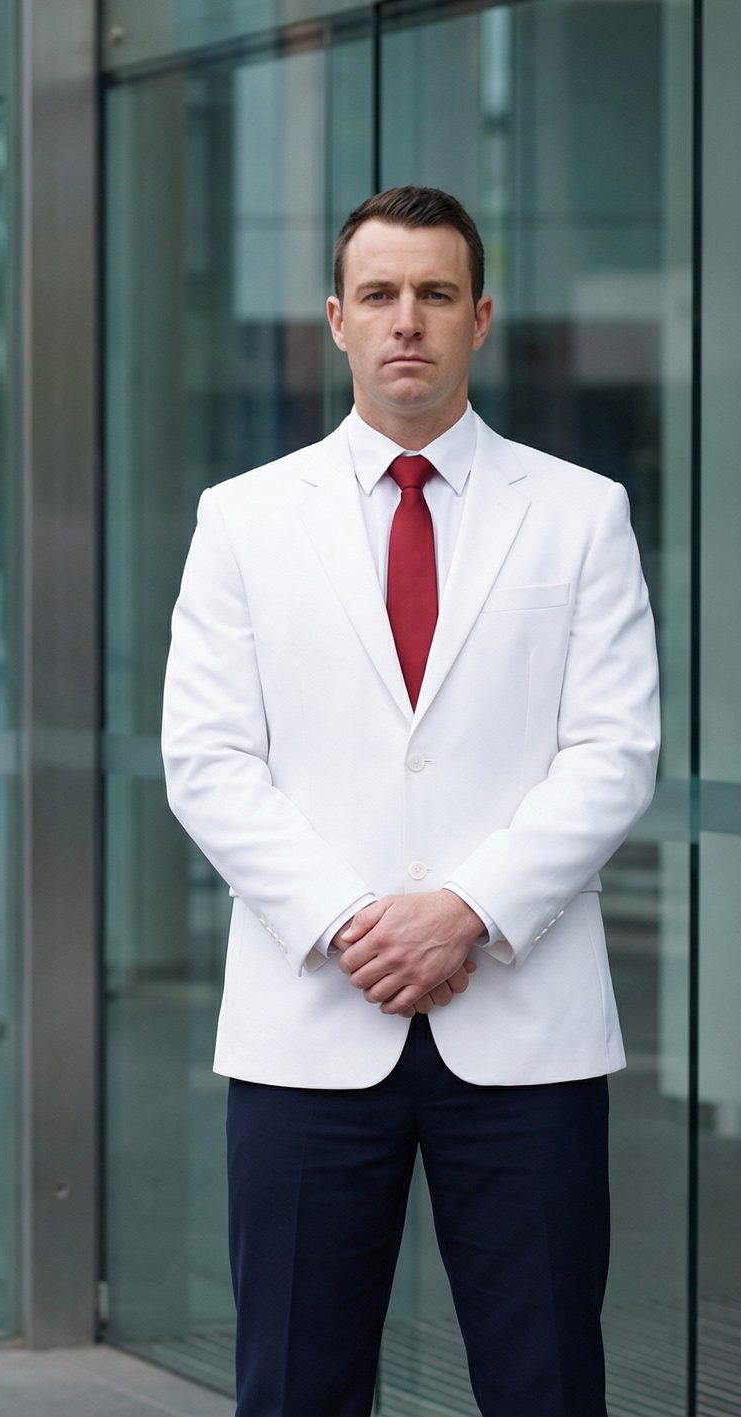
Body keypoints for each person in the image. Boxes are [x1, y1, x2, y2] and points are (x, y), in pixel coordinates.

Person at [160, 185, 660, 1417]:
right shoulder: (242, 518)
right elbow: (208, 758)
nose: (408, 321)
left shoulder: (582, 513)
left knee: (546, 1380)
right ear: (334, 319)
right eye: (380, 295)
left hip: (526, 1018)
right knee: (295, 1386)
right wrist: (352, 919)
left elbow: (614, 750)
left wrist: (467, 910)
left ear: (480, 317)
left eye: (436, 294)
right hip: (310, 1016)